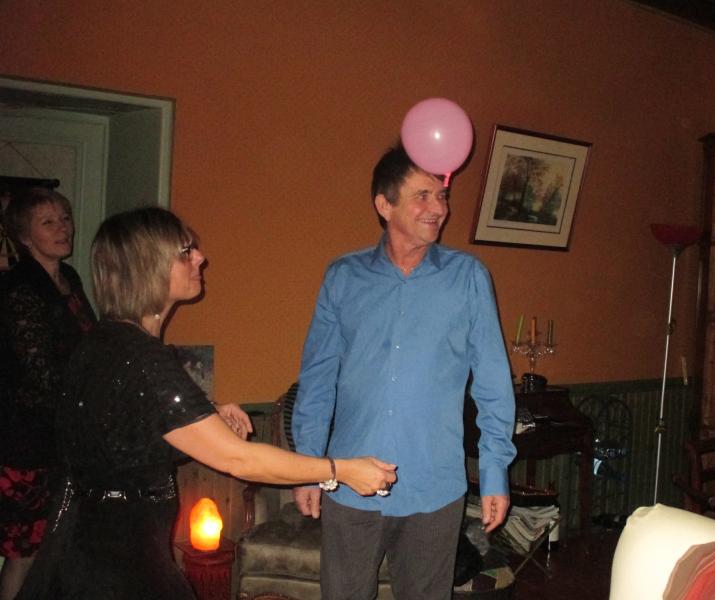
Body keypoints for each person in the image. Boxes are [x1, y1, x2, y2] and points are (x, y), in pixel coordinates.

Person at [17, 207, 396, 599]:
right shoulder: (142, 358)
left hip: (88, 550)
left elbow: (126, 439)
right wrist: (340, 469)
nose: (200, 257)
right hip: (118, 566)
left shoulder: (104, 341)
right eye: (186, 252)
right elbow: (239, 459)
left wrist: (205, 415)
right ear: (148, 267)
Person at [292, 144, 517, 599]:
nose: (439, 209)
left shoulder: (468, 277)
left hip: (433, 487)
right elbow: (317, 380)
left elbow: (494, 383)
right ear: (384, 204)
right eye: (422, 196)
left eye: (442, 196)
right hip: (349, 484)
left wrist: (495, 471)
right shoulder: (343, 277)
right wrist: (307, 467)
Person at [0, 187, 97, 600]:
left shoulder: (69, 279)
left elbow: (90, 347)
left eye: (65, 218)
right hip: (27, 441)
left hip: (64, 439)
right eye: (48, 222)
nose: (63, 228)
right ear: (25, 235)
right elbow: (40, 371)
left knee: (62, 550)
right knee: (24, 554)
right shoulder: (19, 287)